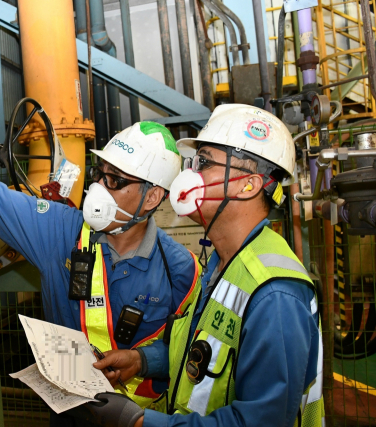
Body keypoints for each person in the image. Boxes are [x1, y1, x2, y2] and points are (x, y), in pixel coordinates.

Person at [0, 86, 201, 412]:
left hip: (142, 419)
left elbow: (190, 349)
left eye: (116, 180)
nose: (99, 188)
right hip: (71, 413)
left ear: (153, 197)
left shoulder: (181, 269)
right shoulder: (61, 232)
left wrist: (143, 360)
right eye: (101, 174)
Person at [73, 104, 324, 427]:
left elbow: (261, 421)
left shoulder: (274, 294)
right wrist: (141, 360)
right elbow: (203, 355)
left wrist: (139, 423)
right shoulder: (223, 265)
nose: (187, 175)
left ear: (248, 185)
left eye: (203, 163)